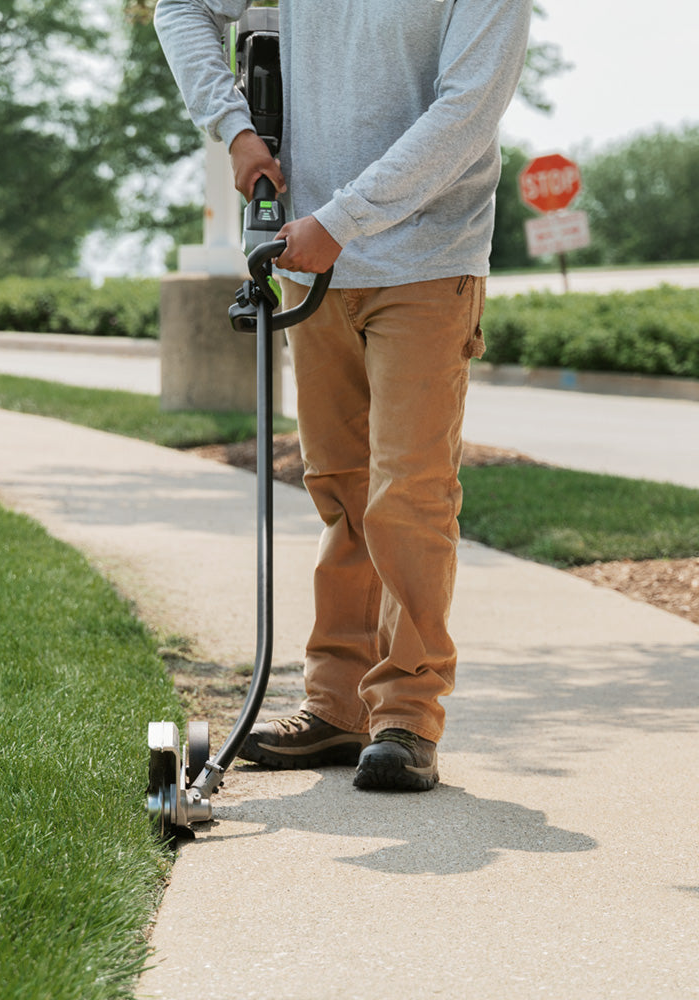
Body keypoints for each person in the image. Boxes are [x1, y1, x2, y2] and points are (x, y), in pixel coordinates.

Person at [154, 0, 532, 791]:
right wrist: (235, 129)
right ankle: (334, 707)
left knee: (410, 493)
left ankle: (405, 714)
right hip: (309, 259)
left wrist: (344, 218)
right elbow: (180, 5)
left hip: (426, 260)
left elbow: (465, 113)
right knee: (340, 489)